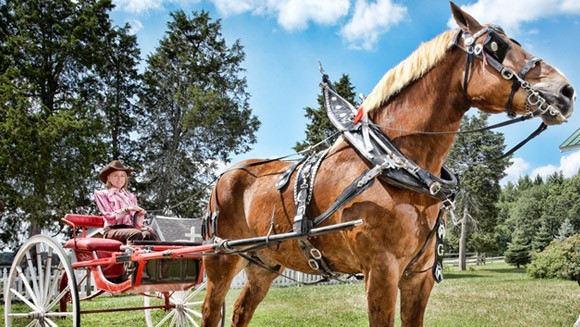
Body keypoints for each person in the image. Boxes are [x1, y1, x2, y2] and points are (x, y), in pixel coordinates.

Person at [94, 160, 158, 243]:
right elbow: (108, 216)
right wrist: (126, 210)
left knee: (150, 235)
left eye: (122, 176)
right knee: (135, 234)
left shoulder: (131, 196)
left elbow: (135, 222)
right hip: (112, 230)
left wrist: (139, 215)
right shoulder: (102, 194)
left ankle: (150, 255)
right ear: (108, 177)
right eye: (115, 176)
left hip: (130, 229)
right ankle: (129, 254)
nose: (119, 179)